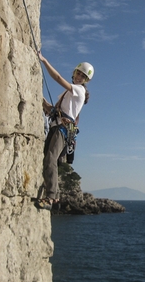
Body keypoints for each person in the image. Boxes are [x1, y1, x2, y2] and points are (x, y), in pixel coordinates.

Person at [35, 51, 94, 210]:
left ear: (85, 80)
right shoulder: (67, 94)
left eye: (83, 76)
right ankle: (52, 192)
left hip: (62, 129)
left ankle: (51, 197)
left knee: (50, 159)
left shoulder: (78, 91)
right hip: (56, 126)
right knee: (46, 159)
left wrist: (44, 61)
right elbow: (51, 110)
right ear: (74, 73)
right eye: (78, 74)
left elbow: (58, 78)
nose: (79, 77)